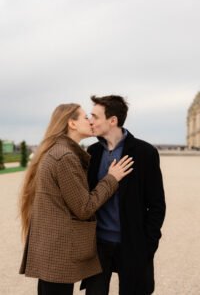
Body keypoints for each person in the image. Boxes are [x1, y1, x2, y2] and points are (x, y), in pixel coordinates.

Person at [19, 103, 134, 295]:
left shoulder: (59, 151)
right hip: (57, 253)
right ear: (71, 123)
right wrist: (112, 178)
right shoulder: (64, 156)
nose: (90, 121)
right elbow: (84, 207)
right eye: (85, 117)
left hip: (51, 250)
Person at [82, 95, 166, 295]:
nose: (90, 120)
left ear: (113, 121)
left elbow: (157, 204)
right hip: (97, 246)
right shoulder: (91, 152)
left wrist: (148, 244)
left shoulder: (145, 153)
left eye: (95, 116)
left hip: (133, 244)